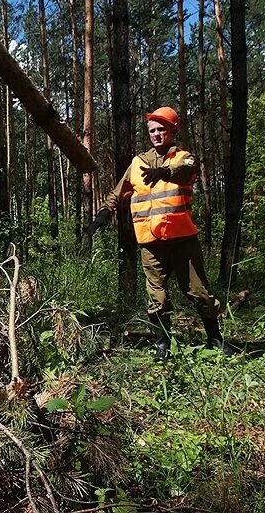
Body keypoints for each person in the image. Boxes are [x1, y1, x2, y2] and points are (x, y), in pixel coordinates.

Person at [86, 106, 232, 359]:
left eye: (161, 129)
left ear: (172, 131)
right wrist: (103, 215)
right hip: (150, 243)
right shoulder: (138, 163)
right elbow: (118, 193)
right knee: (157, 297)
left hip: (183, 240)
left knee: (198, 293)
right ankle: (163, 346)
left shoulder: (183, 157)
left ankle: (215, 340)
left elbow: (187, 172)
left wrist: (165, 172)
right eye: (152, 130)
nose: (156, 134)